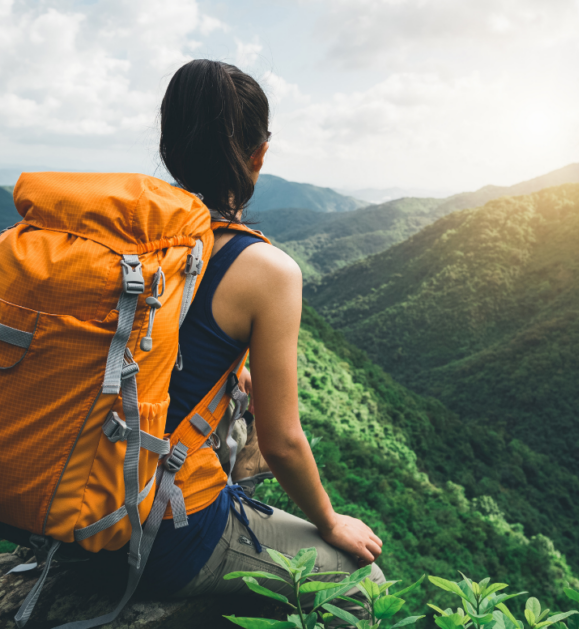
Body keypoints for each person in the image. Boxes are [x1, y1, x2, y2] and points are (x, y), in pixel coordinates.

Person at [142, 59, 384, 607]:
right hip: (163, 532)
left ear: (168, 150)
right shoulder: (267, 270)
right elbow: (282, 443)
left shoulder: (133, 238)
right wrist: (330, 521)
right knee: (361, 586)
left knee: (244, 399)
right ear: (260, 154)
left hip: (76, 499)